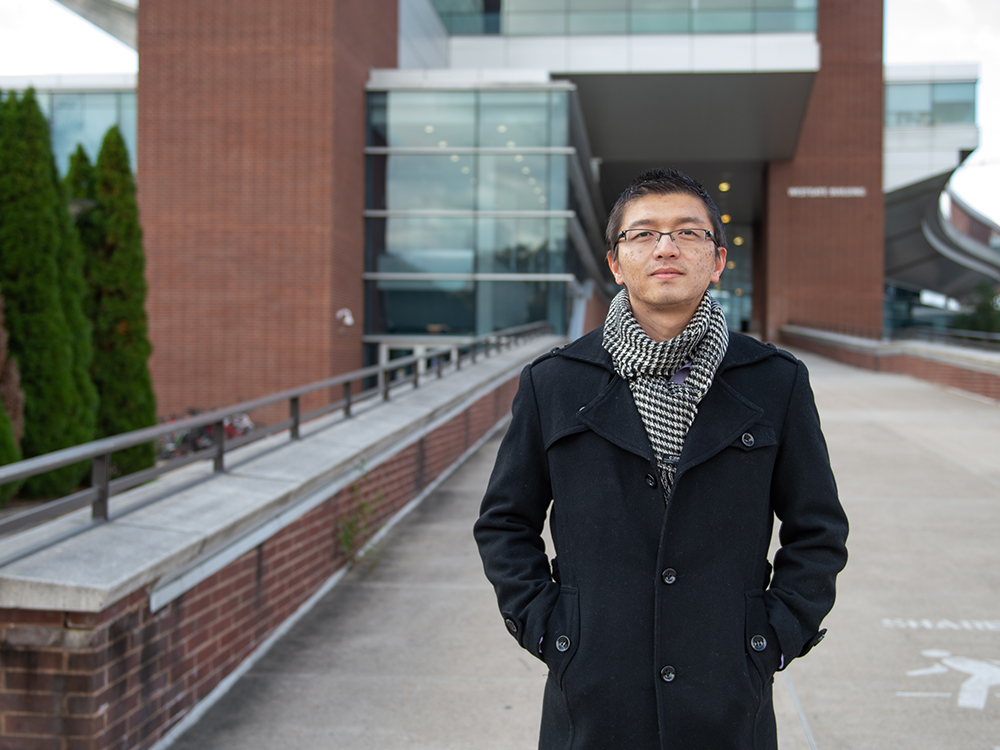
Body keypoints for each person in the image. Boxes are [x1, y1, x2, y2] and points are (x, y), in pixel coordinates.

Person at [473, 168, 849, 749]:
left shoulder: (776, 382)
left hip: (727, 693)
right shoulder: (555, 382)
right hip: (594, 696)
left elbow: (818, 529)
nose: (666, 246)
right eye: (643, 233)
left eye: (687, 233)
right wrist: (550, 629)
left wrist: (775, 634)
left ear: (718, 260)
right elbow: (504, 522)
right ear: (617, 264)